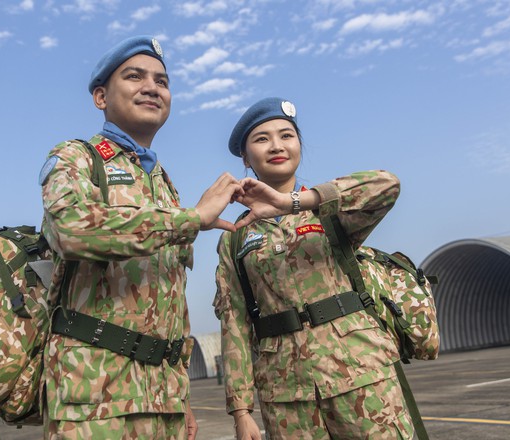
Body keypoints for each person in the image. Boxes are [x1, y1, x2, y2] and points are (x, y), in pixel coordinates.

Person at [39, 35, 242, 440]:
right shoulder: (78, 157)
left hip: (163, 398)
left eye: (162, 81)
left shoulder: (163, 183)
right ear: (101, 97)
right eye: (134, 77)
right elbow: (71, 230)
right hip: (95, 398)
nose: (152, 87)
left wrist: (181, 398)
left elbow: (170, 298)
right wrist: (189, 218)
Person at [213, 97, 415, 439]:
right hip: (287, 396)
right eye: (261, 139)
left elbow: (387, 185)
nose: (276, 145)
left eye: (286, 136)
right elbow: (234, 323)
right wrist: (241, 411)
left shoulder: (328, 209)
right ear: (246, 158)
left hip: (361, 376)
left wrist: (291, 202)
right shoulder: (234, 239)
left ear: (299, 146)